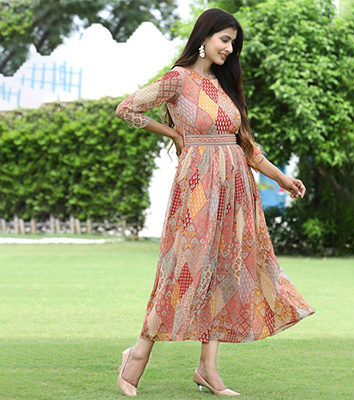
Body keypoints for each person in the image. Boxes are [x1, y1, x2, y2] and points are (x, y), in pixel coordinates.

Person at [115, 8, 315, 397]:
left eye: (233, 43)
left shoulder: (223, 85)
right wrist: (174, 134)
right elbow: (128, 109)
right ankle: (137, 353)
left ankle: (207, 369)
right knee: (182, 268)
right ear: (204, 37)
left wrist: (281, 178)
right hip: (197, 188)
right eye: (225, 39)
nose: (229, 48)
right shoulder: (178, 79)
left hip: (236, 189)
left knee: (224, 271)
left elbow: (247, 146)